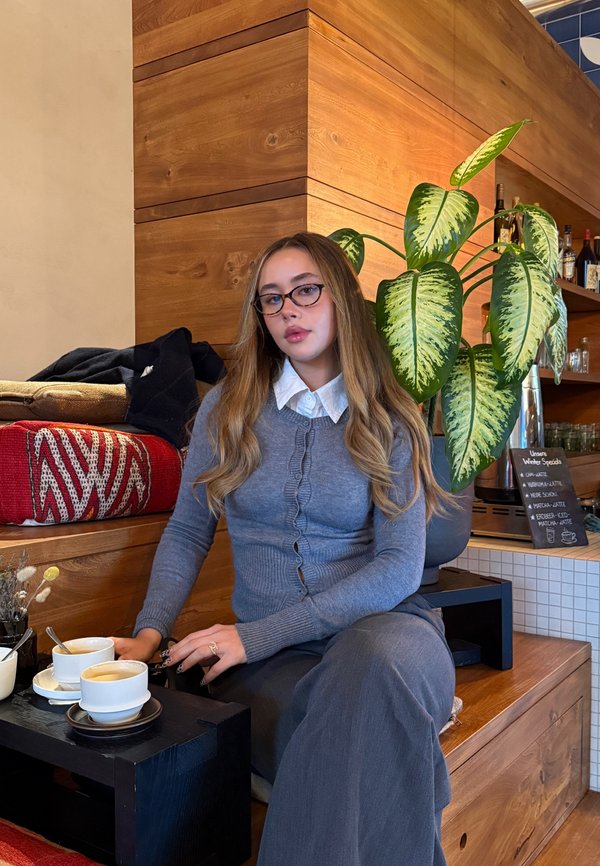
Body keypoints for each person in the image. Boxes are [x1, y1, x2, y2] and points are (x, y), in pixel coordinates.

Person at [112, 231, 456, 866]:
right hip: (280, 658)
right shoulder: (227, 410)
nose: (288, 310)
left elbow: (399, 568)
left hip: (390, 632)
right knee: (358, 721)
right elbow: (189, 531)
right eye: (272, 299)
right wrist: (148, 633)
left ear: (342, 300)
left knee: (371, 666)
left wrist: (254, 635)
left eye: (305, 291)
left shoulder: (390, 416)